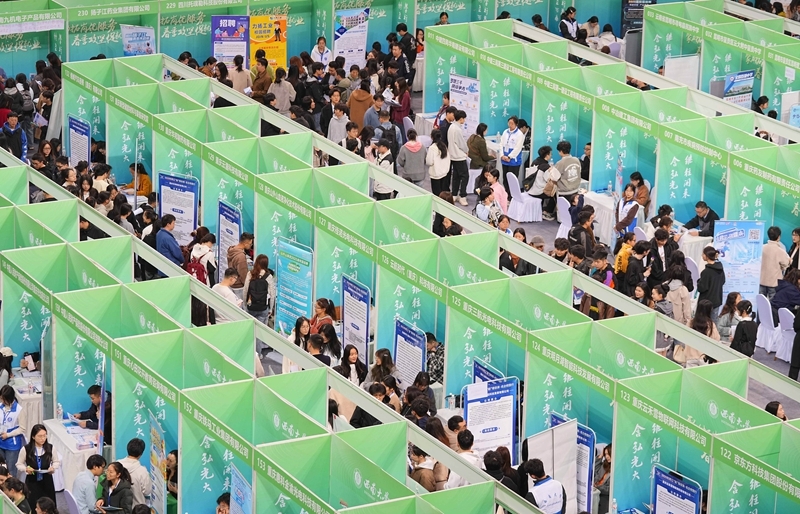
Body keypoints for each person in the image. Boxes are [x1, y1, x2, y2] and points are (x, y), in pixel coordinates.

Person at [17, 424, 59, 507]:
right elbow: (19, 464)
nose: (43, 438)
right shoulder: (26, 449)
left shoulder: (50, 448)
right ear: (33, 436)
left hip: (47, 481)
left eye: (44, 435)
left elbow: (56, 461)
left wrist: (53, 468)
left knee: (48, 505)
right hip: (32, 482)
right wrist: (26, 469)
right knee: (33, 504)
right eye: (40, 436)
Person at [243, 254, 276, 327]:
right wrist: (270, 309)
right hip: (263, 308)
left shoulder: (250, 274)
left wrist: (245, 304)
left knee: (250, 327)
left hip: (251, 306)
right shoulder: (269, 276)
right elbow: (272, 295)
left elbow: (245, 290)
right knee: (261, 329)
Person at [760, 226, 790, 300]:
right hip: (774, 283)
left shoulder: (761, 248)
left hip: (761, 281)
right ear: (779, 237)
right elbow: (785, 264)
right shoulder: (780, 251)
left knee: (761, 302)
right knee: (773, 304)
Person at [118, 438, 150, 507]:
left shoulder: (116, 465)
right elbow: (147, 491)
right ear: (141, 453)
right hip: (136, 508)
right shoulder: (142, 471)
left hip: (118, 507)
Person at [697, 247, 725, 323]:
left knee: (703, 322)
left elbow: (701, 288)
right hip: (717, 300)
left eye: (703, 254)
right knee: (713, 323)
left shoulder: (706, 272)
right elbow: (723, 281)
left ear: (706, 256)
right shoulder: (720, 269)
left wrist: (699, 281)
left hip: (706, 302)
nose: (702, 255)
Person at [0, 385, 25, 469]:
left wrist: (8, 435)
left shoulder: (19, 410)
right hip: (1, 441)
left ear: (10, 398)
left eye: (4, 399)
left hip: (12, 445)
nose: (2, 401)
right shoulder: (1, 406)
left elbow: (22, 428)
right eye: (1, 398)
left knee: (11, 469)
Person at [499, 116, 525, 197]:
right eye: (509, 123)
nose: (510, 125)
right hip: (504, 160)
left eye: (512, 123)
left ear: (516, 124)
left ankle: (512, 197)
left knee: (512, 180)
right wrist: (502, 155)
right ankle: (506, 196)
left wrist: (509, 157)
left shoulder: (520, 134)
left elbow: (518, 148)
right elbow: (501, 144)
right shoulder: (505, 132)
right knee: (505, 179)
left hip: (513, 161)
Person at [448, 110, 469, 205]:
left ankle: (454, 194)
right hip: (459, 156)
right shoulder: (457, 129)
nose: (464, 120)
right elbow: (461, 144)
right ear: (461, 119)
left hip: (453, 156)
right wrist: (466, 150)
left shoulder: (451, 127)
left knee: (456, 176)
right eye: (464, 118)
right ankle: (462, 196)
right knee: (465, 176)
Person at [226, 232, 254, 301]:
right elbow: (243, 274)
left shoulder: (232, 250)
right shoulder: (241, 256)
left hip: (232, 283)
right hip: (239, 287)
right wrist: (247, 287)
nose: (251, 246)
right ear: (245, 243)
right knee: (240, 305)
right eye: (250, 244)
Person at [427, 129, 451, 197]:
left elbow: (429, 162)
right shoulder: (444, 146)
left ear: (432, 137)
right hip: (444, 173)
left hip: (435, 174)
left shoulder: (432, 148)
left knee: (436, 194)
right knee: (443, 193)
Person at [593, 445, 611, 514]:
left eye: (608, 454)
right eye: (605, 454)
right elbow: (594, 468)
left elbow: (610, 489)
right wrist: (601, 456)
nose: (607, 456)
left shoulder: (617, 471)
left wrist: (598, 486)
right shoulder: (605, 464)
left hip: (605, 497)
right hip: (595, 493)